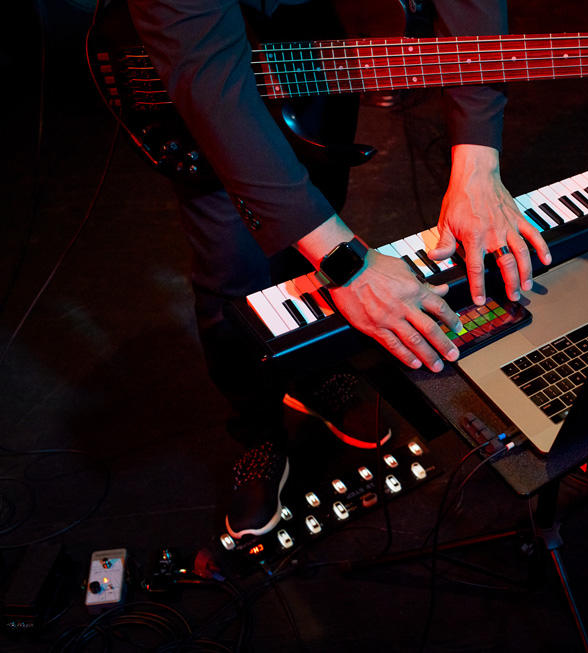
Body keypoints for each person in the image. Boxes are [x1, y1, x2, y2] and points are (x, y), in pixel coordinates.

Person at [127, 0, 551, 539]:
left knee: (319, 211)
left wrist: (477, 158)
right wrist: (348, 265)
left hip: (306, 41)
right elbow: (212, 84)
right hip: (200, 81)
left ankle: (312, 374)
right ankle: (257, 433)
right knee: (234, 279)